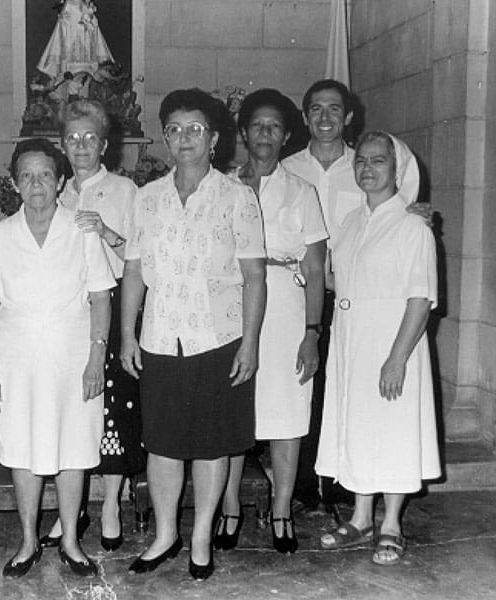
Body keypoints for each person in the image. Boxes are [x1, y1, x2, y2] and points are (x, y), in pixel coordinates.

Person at [121, 88, 267, 581]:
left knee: (211, 444)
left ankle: (201, 535)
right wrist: (127, 335)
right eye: (175, 129)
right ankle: (166, 533)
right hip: (161, 337)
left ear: (215, 139)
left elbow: (254, 277)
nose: (185, 138)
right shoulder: (147, 199)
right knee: (161, 443)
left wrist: (249, 342)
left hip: (217, 338)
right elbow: (135, 273)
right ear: (165, 137)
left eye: (195, 129)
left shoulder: (236, 197)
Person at [283, 79, 427, 512]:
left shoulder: (369, 171)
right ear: (305, 116)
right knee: (321, 394)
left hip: (374, 309)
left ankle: (361, 502)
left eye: (334, 109)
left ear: (348, 116)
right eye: (315, 109)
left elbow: (401, 236)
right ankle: (314, 485)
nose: (325, 117)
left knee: (371, 401)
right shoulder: (288, 168)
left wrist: (414, 212)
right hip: (313, 293)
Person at [0, 138, 114, 578]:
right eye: (27, 175)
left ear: (60, 183)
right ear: (14, 183)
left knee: (73, 448)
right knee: (22, 448)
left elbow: (100, 297)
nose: (36, 184)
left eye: (46, 175)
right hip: (17, 361)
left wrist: (96, 358)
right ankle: (29, 540)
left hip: (73, 358)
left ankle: (70, 539)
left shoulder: (81, 230)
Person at [315, 131, 440, 566]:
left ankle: (391, 524)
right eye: (362, 160)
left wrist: (397, 357)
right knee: (357, 424)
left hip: (393, 342)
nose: (368, 168)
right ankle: (361, 515)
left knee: (392, 428)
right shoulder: (351, 222)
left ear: (398, 169)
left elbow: (421, 299)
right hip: (351, 341)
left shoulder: (412, 226)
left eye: (379, 161)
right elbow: (337, 278)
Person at [217, 89, 327, 554]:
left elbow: (317, 267)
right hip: (229, 305)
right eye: (256, 125)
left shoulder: (302, 191)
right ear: (243, 134)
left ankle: (282, 510)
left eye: (274, 126)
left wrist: (311, 333)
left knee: (285, 414)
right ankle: (228, 507)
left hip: (285, 308)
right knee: (230, 417)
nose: (265, 133)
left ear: (285, 136)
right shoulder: (220, 185)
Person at [40, 100, 145, 552]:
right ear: (62, 145)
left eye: (89, 138)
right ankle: (72, 509)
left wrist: (106, 232)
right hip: (66, 311)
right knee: (73, 410)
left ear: (105, 144)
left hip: (115, 302)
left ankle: (110, 504)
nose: (80, 147)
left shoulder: (124, 190)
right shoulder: (54, 188)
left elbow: (140, 261)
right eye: (72, 139)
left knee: (114, 409)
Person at [37, 0, 114, 87]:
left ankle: (90, 69)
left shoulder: (85, 5)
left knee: (88, 40)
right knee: (67, 43)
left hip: (85, 32)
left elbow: (91, 21)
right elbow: (63, 23)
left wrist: (90, 19)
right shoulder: (68, 5)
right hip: (70, 33)